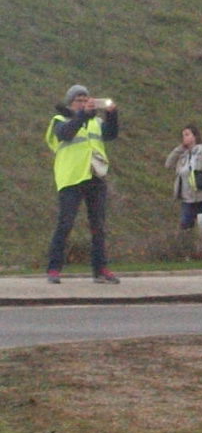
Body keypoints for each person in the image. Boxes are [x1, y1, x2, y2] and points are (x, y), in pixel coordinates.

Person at [45, 85, 121, 284]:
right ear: (70, 103)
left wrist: (112, 115)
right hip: (71, 178)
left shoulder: (95, 122)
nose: (83, 102)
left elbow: (111, 134)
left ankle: (100, 269)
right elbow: (66, 134)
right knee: (65, 224)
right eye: (79, 99)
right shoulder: (60, 120)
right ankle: (54, 269)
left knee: (98, 226)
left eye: (86, 99)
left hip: (94, 176)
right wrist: (82, 116)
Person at [165, 124, 202, 231]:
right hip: (188, 199)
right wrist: (180, 148)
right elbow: (168, 164)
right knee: (185, 227)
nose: (184, 138)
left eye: (187, 135)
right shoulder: (183, 155)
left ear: (195, 136)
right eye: (183, 135)